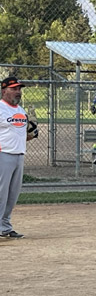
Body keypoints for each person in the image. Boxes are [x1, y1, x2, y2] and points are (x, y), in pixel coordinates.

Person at [0, 76, 37, 239]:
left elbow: (22, 135)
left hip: (19, 154)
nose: (18, 92)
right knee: (1, 193)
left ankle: (5, 227)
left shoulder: (21, 111)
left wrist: (32, 133)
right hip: (3, 154)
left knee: (12, 195)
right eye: (14, 89)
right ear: (4, 91)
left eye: (19, 89)